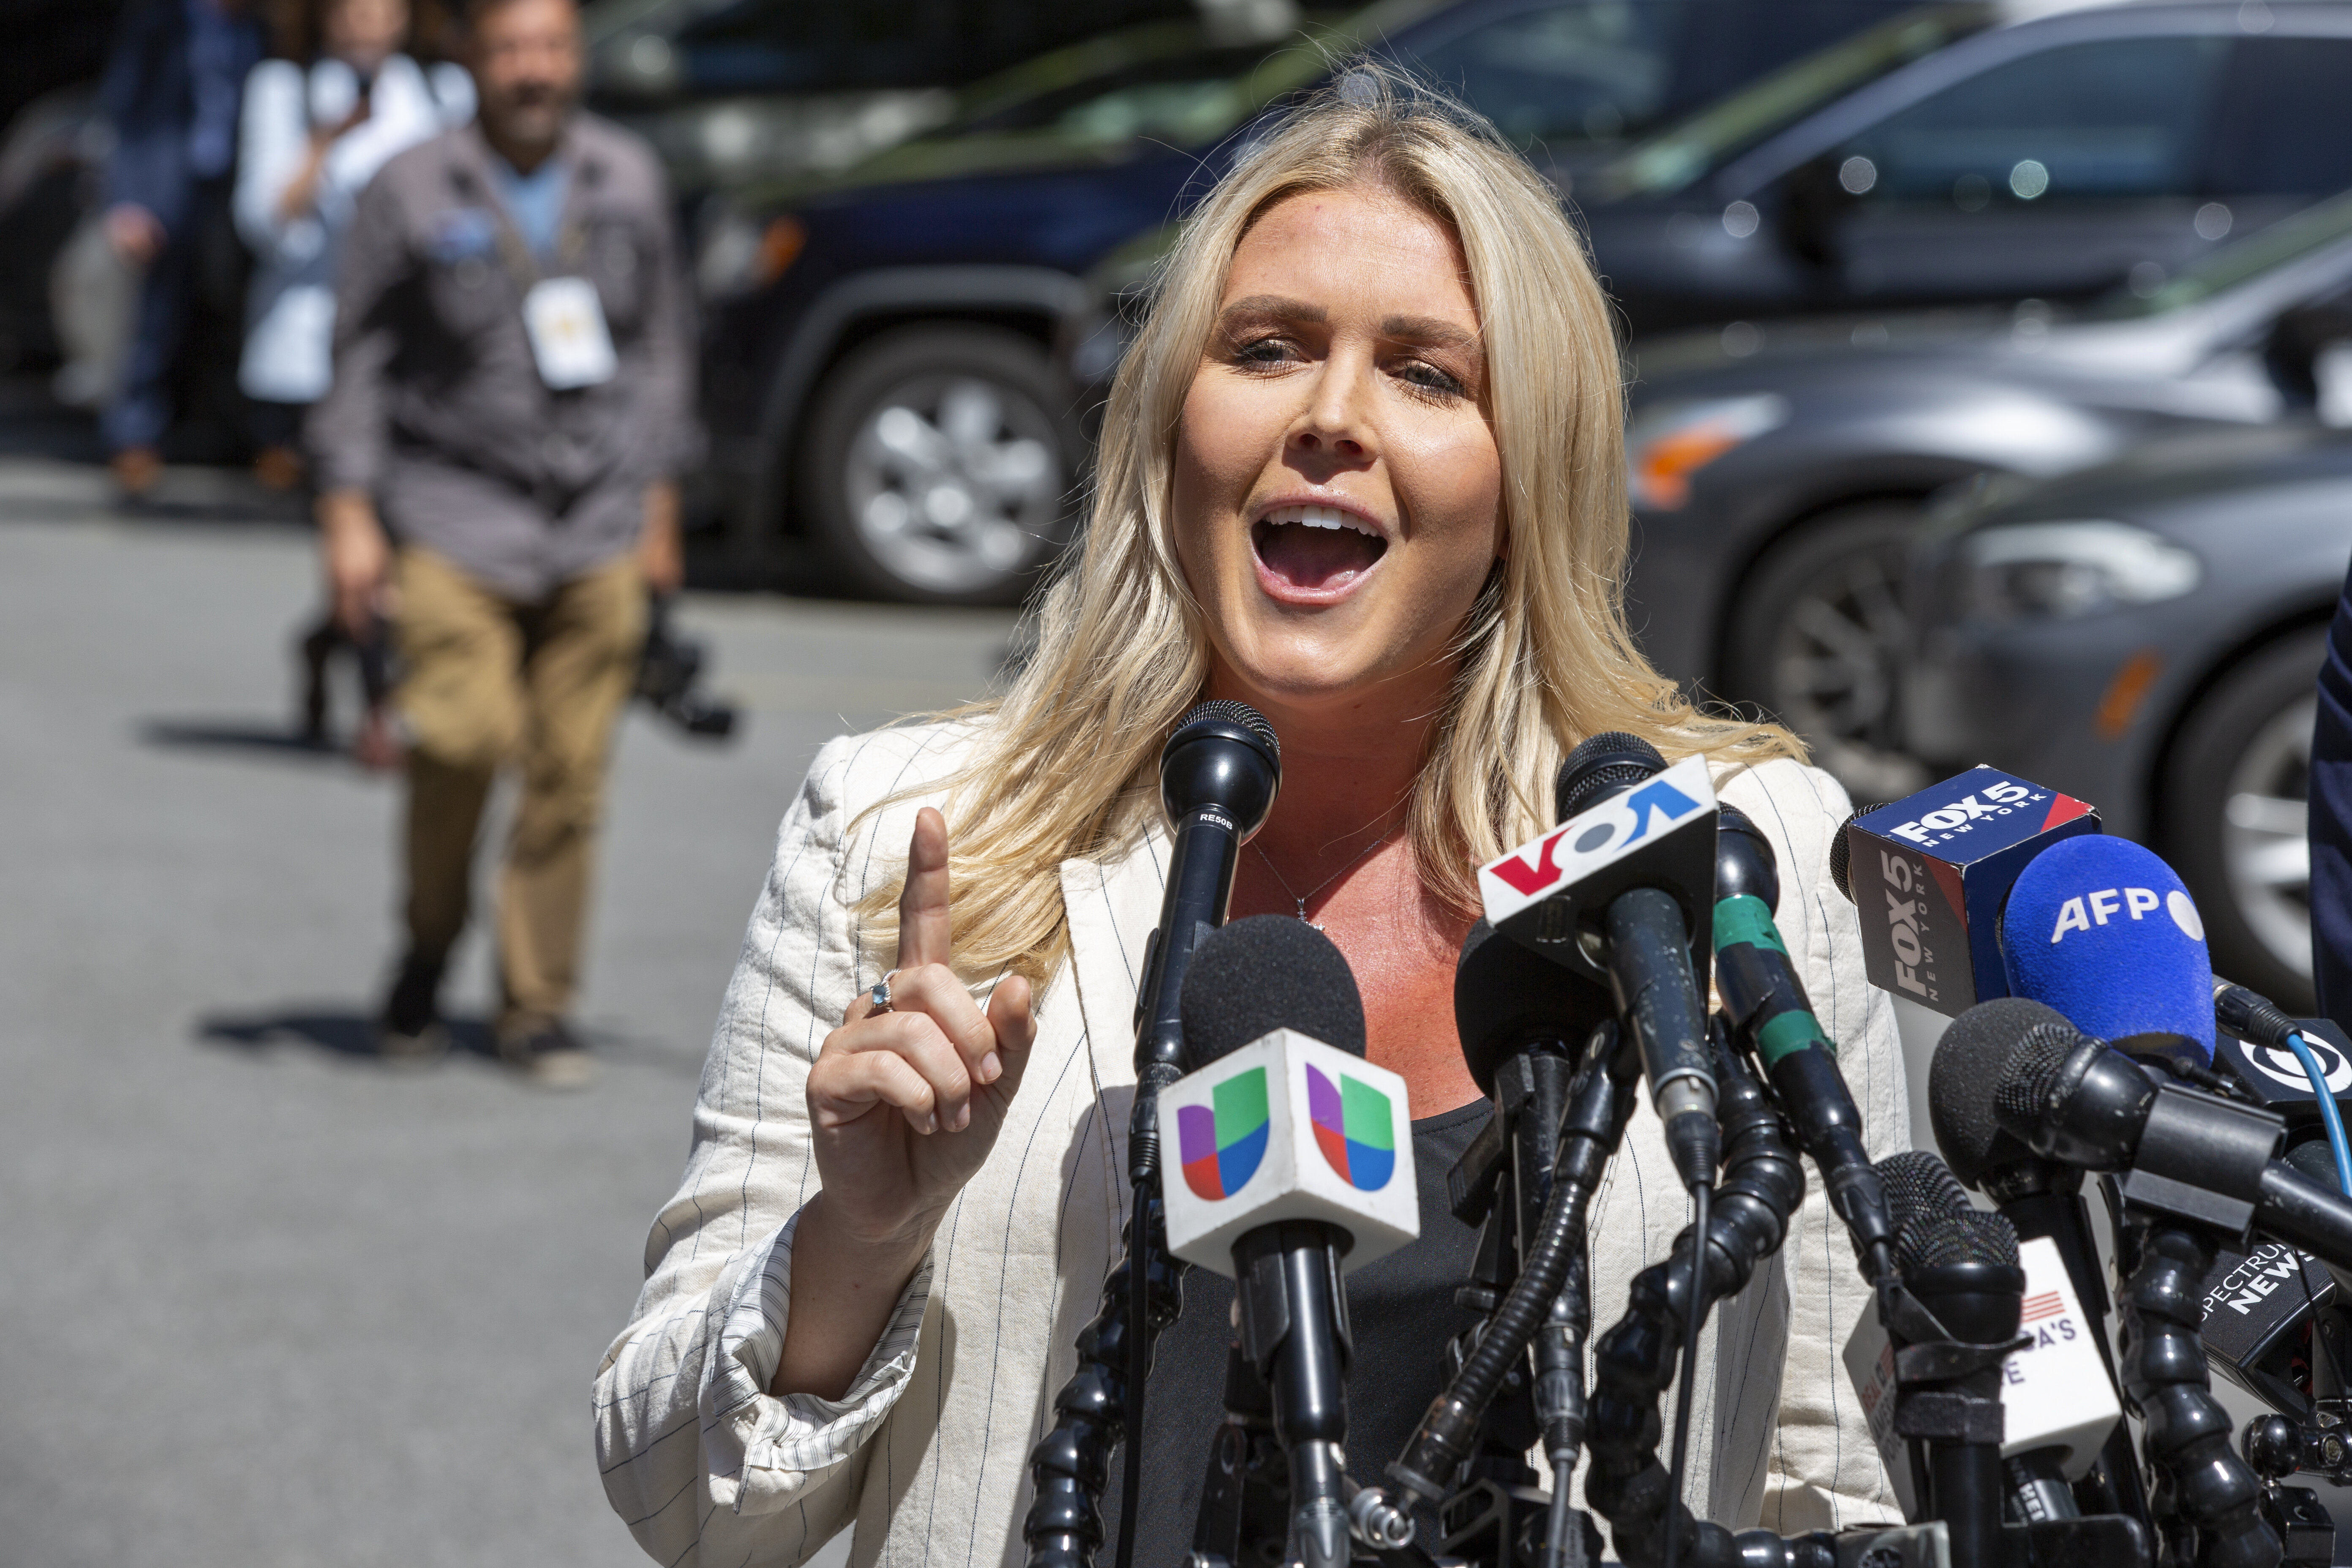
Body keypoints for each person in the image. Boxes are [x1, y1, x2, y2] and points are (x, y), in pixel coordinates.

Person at [593, 66, 1910, 1568]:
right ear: (1171, 421)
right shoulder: (908, 832)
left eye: (1426, 372)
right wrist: (859, 1242)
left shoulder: (1751, 854)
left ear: (1526, 467)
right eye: (1268, 348)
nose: (1331, 418)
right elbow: (683, 1505)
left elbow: (1831, 1467)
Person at [308, 0, 694, 1084]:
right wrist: (346, 515)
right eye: (514, 47)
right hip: (452, 514)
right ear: (472, 58)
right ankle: (429, 942)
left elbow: (663, 347)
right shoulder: (411, 186)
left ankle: (538, 1004)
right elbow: (356, 359)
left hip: (600, 521)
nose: (536, 69)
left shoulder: (626, 177)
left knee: (572, 776)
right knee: (462, 740)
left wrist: (662, 505)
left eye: (555, 47)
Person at [239, 0, 472, 760]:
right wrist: (324, 143)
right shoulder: (285, 90)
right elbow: (262, 223)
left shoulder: (443, 98)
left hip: (416, 357)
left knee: (403, 537)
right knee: (356, 536)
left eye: (384, 9)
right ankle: (381, 702)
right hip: (311, 355)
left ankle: (327, 644)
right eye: (353, 10)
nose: (368, 24)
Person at [96, 0, 266, 496]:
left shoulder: (261, 29)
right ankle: (135, 437)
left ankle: (247, 437)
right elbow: (124, 110)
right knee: (154, 318)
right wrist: (125, 199)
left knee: (237, 314)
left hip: (236, 188)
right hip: (167, 190)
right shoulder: (159, 20)